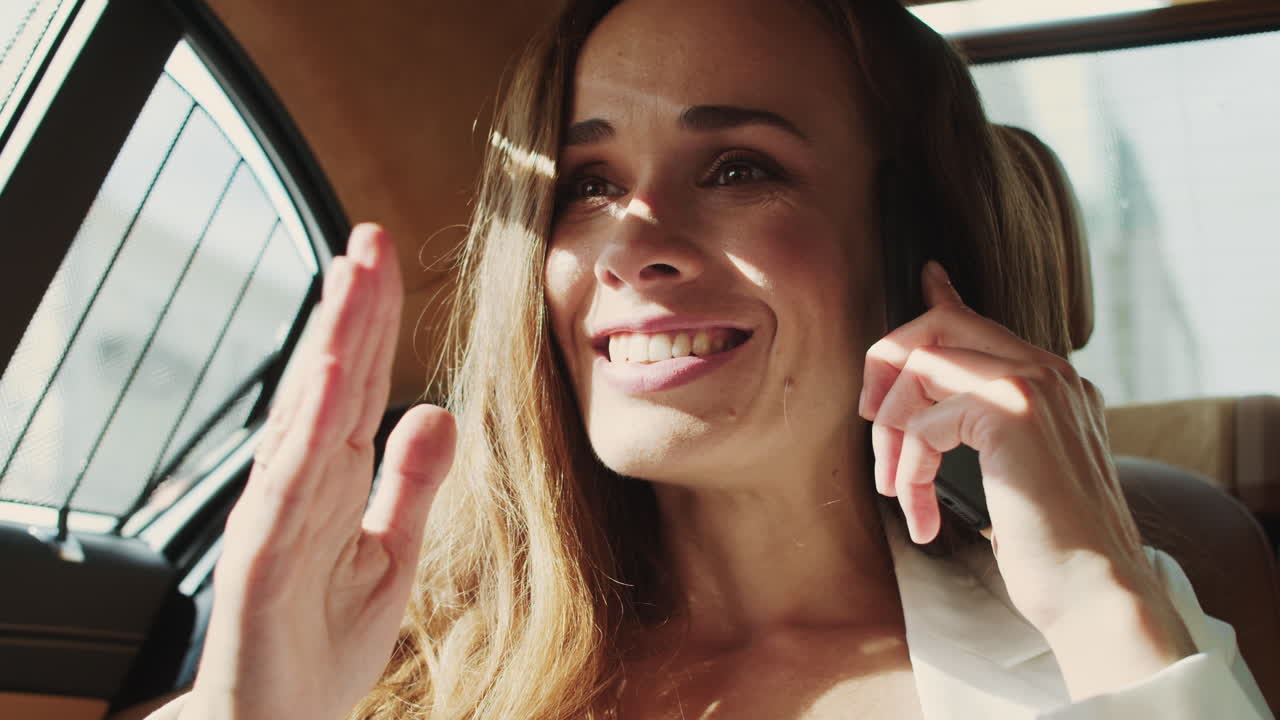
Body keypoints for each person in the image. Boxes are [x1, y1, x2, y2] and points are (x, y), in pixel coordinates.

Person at [148, 0, 1273, 718]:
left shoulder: (1119, 634)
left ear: (905, 245)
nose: (632, 245)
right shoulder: (387, 661)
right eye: (585, 186)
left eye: (738, 167)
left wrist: (1094, 592)